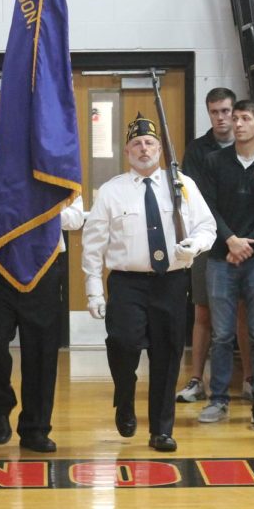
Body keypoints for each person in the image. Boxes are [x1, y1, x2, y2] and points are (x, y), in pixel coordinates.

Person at [83, 114, 216, 452]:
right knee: (124, 344)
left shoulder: (182, 185)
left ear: (160, 149)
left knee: (168, 355)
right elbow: (93, 244)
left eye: (150, 143)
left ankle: (161, 429)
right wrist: (94, 290)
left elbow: (207, 228)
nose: (144, 148)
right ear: (127, 151)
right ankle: (124, 398)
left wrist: (193, 248)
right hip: (127, 283)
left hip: (170, 282)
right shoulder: (112, 191)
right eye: (137, 144)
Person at [0, 147, 83, 453]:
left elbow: (75, 216)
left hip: (44, 266)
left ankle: (35, 428)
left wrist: (39, 206)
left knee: (42, 352)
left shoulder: (57, 161)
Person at [195, 102, 254, 424]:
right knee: (222, 334)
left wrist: (248, 243)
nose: (237, 124)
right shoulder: (213, 161)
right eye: (234, 119)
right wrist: (231, 240)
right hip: (222, 258)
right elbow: (206, 206)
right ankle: (218, 400)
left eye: (245, 119)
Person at [176, 89, 236, 403]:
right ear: (208, 113)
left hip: (244, 242)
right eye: (215, 112)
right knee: (203, 313)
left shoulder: (248, 144)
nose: (221, 117)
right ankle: (197, 379)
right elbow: (198, 201)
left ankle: (251, 380)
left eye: (226, 110)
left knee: (241, 312)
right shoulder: (198, 150)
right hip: (206, 243)